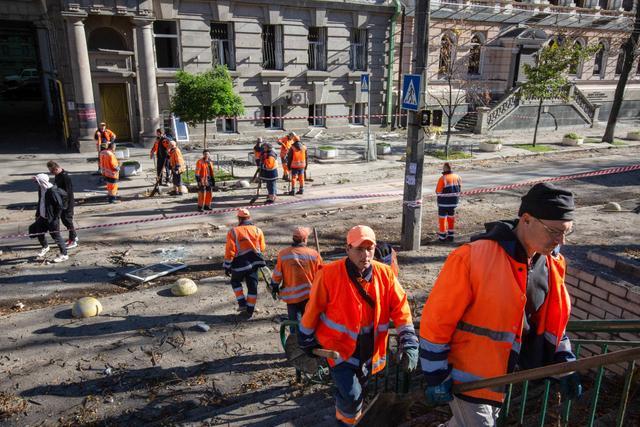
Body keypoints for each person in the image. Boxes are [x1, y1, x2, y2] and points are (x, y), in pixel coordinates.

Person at [419, 183, 581, 426]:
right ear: (526, 220)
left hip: (502, 376)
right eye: (554, 231)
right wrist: (434, 374)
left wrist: (566, 365)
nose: (561, 241)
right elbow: (437, 320)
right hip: (466, 376)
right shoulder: (472, 256)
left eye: (567, 232)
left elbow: (551, 321)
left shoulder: (553, 263)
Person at [298, 225, 419, 426]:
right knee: (353, 395)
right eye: (359, 249)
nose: (365, 254)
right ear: (348, 249)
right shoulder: (329, 274)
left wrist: (409, 340)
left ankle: (345, 416)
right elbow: (313, 310)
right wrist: (306, 338)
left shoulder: (385, 274)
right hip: (338, 350)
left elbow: (400, 307)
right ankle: (346, 423)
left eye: (369, 249)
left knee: (357, 392)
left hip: (369, 351)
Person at [268, 227, 323, 325]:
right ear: (304, 239)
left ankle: (295, 338)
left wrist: (274, 286)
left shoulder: (283, 254)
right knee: (310, 323)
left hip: (292, 297)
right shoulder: (314, 254)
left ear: (293, 238)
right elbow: (321, 275)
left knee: (294, 324)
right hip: (309, 295)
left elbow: (277, 274)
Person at [223, 209, 267, 319]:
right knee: (252, 287)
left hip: (239, 264)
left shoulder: (233, 232)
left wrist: (227, 266)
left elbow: (230, 251)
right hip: (254, 263)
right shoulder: (258, 230)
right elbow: (262, 248)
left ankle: (242, 304)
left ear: (239, 218)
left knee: (235, 282)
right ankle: (250, 310)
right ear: (249, 218)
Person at [30, 173, 68, 263]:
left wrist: (56, 217)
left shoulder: (52, 191)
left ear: (42, 181)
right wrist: (38, 214)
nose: (36, 184)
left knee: (56, 236)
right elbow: (40, 202)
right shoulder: (41, 189)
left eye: (37, 182)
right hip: (42, 217)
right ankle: (45, 247)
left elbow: (59, 205)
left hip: (51, 219)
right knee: (39, 232)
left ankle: (64, 254)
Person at [46, 161, 77, 249]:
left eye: (52, 171)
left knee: (67, 220)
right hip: (62, 202)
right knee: (65, 220)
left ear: (56, 169)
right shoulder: (58, 175)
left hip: (67, 202)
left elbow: (68, 192)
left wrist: (65, 204)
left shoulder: (65, 177)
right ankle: (73, 236)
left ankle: (73, 240)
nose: (51, 173)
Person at [435, 162, 462, 242]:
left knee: (442, 218)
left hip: (443, 203)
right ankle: (451, 235)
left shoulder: (442, 178)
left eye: (443, 167)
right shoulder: (458, 177)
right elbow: (459, 189)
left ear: (446, 168)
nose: (443, 168)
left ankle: (442, 236)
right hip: (454, 202)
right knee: (451, 218)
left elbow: (438, 192)